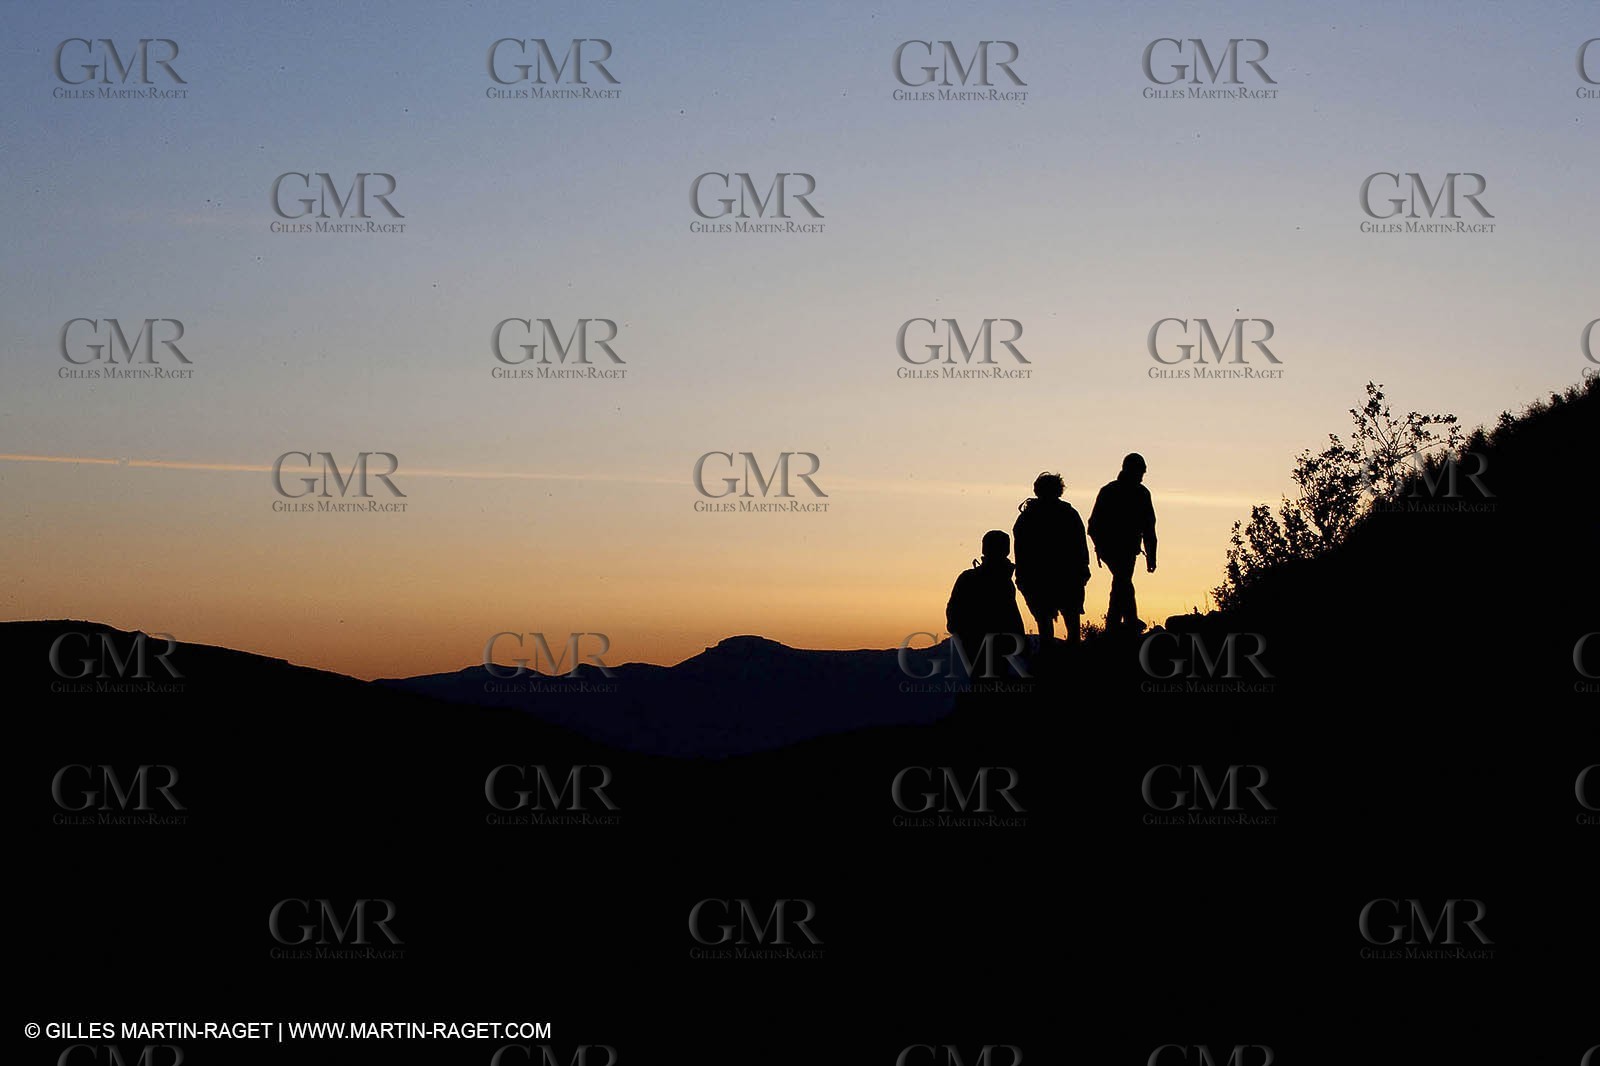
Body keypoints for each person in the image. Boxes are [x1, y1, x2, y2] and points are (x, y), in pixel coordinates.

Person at [1012, 472, 1090, 644]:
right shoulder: (1068, 514)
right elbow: (1080, 547)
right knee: (1069, 624)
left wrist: (1022, 579)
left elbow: (1021, 552)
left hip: (1044, 579)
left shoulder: (1027, 517)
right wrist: (1083, 571)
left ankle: (1052, 657)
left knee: (1048, 625)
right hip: (1062, 578)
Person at [1088, 453, 1158, 633]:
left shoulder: (1135, 492)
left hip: (1125, 550)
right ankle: (1128, 623)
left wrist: (1151, 555)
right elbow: (1093, 525)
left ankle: (1117, 625)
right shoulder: (1119, 492)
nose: (1142, 476)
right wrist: (1101, 547)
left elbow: (1149, 527)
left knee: (1121, 584)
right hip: (1113, 550)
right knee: (1123, 582)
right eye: (1140, 472)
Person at [944, 530, 1027, 681]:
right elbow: (1011, 615)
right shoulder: (1001, 581)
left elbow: (953, 613)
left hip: (979, 647)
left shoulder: (970, 578)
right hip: (989, 647)